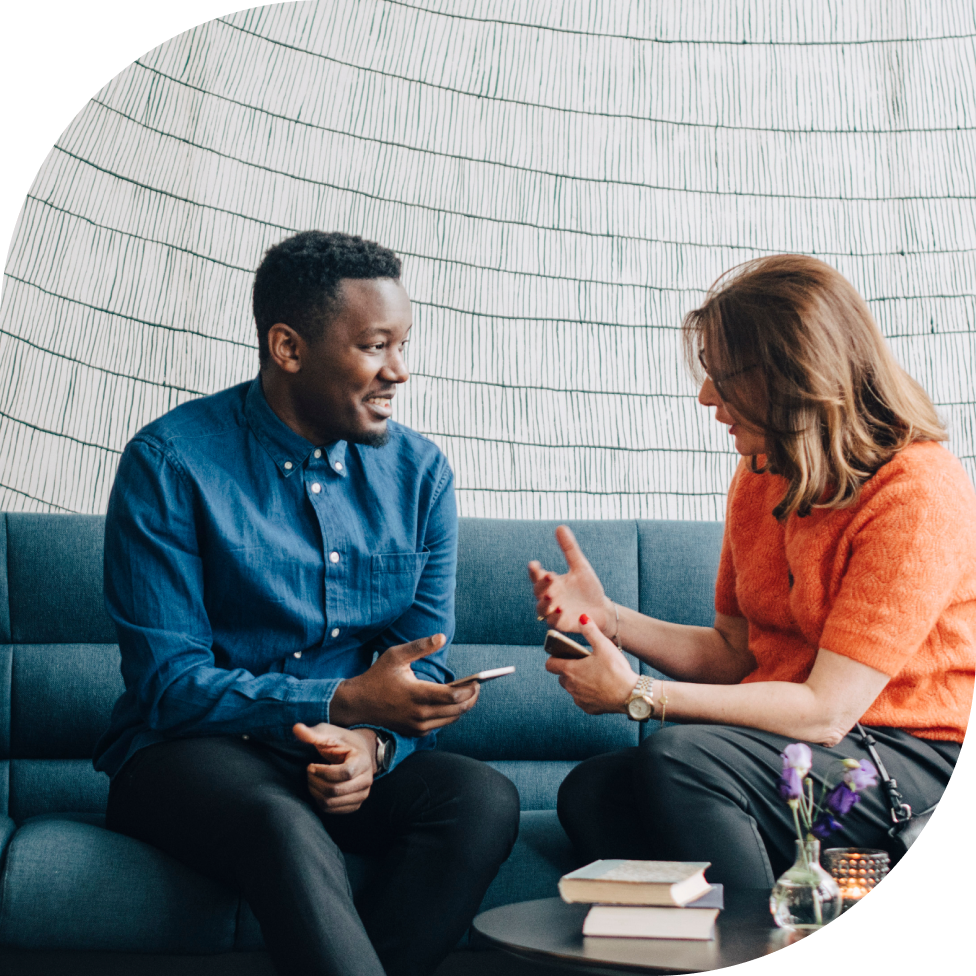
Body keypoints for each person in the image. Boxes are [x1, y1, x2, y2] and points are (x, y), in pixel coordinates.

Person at [95, 231, 520, 976]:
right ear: (288, 348)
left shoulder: (421, 475)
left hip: (343, 752)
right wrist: (342, 702)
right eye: (375, 346)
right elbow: (168, 687)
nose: (400, 371)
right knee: (278, 821)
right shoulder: (168, 465)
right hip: (189, 756)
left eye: (403, 343)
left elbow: (422, 662)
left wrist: (374, 743)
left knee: (480, 800)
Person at [529, 255, 974, 887]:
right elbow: (735, 654)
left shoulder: (918, 493)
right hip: (801, 748)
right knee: (596, 793)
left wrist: (640, 695)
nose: (706, 395)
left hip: (910, 755)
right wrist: (610, 620)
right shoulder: (763, 472)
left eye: (725, 376)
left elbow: (825, 712)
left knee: (682, 759)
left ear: (795, 376)